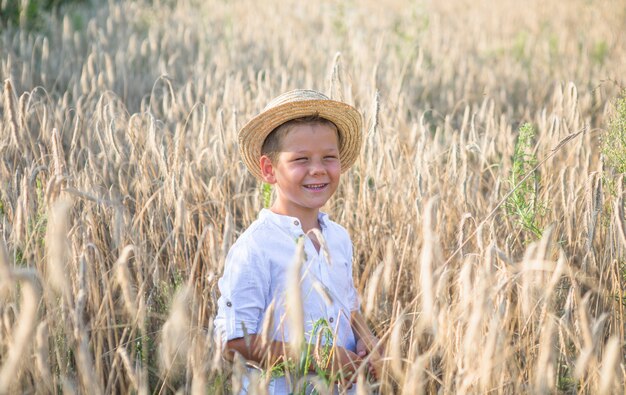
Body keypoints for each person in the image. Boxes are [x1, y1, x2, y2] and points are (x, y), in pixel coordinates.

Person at [215, 89, 383, 394]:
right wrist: (319, 359)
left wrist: (366, 339)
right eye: (300, 159)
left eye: (328, 158)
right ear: (269, 170)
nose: (317, 169)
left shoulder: (338, 238)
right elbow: (233, 342)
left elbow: (348, 308)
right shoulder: (256, 247)